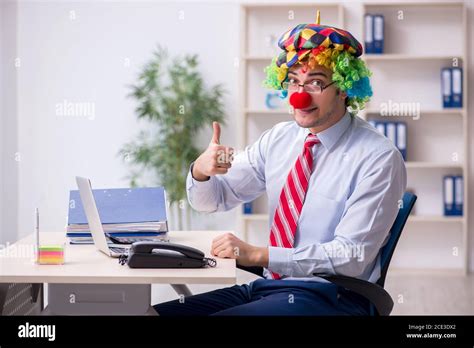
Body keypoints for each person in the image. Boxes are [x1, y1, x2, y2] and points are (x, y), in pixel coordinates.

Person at [153, 11, 406, 316]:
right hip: (271, 287)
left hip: (334, 295)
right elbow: (214, 201)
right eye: (294, 81)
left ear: (343, 87)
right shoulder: (279, 139)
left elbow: (350, 255)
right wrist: (202, 172)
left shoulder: (378, 157)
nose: (299, 96)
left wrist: (258, 254)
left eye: (315, 83)